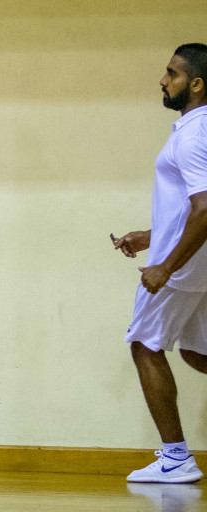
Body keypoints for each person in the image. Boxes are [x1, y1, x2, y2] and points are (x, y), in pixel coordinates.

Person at [115, 43, 207, 484]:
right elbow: (188, 209)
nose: (162, 79)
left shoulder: (193, 134)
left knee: (144, 343)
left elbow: (205, 208)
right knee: (195, 350)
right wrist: (149, 236)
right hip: (197, 261)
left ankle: (176, 458)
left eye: (171, 73)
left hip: (185, 267)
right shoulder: (198, 129)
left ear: (195, 84)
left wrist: (165, 265)